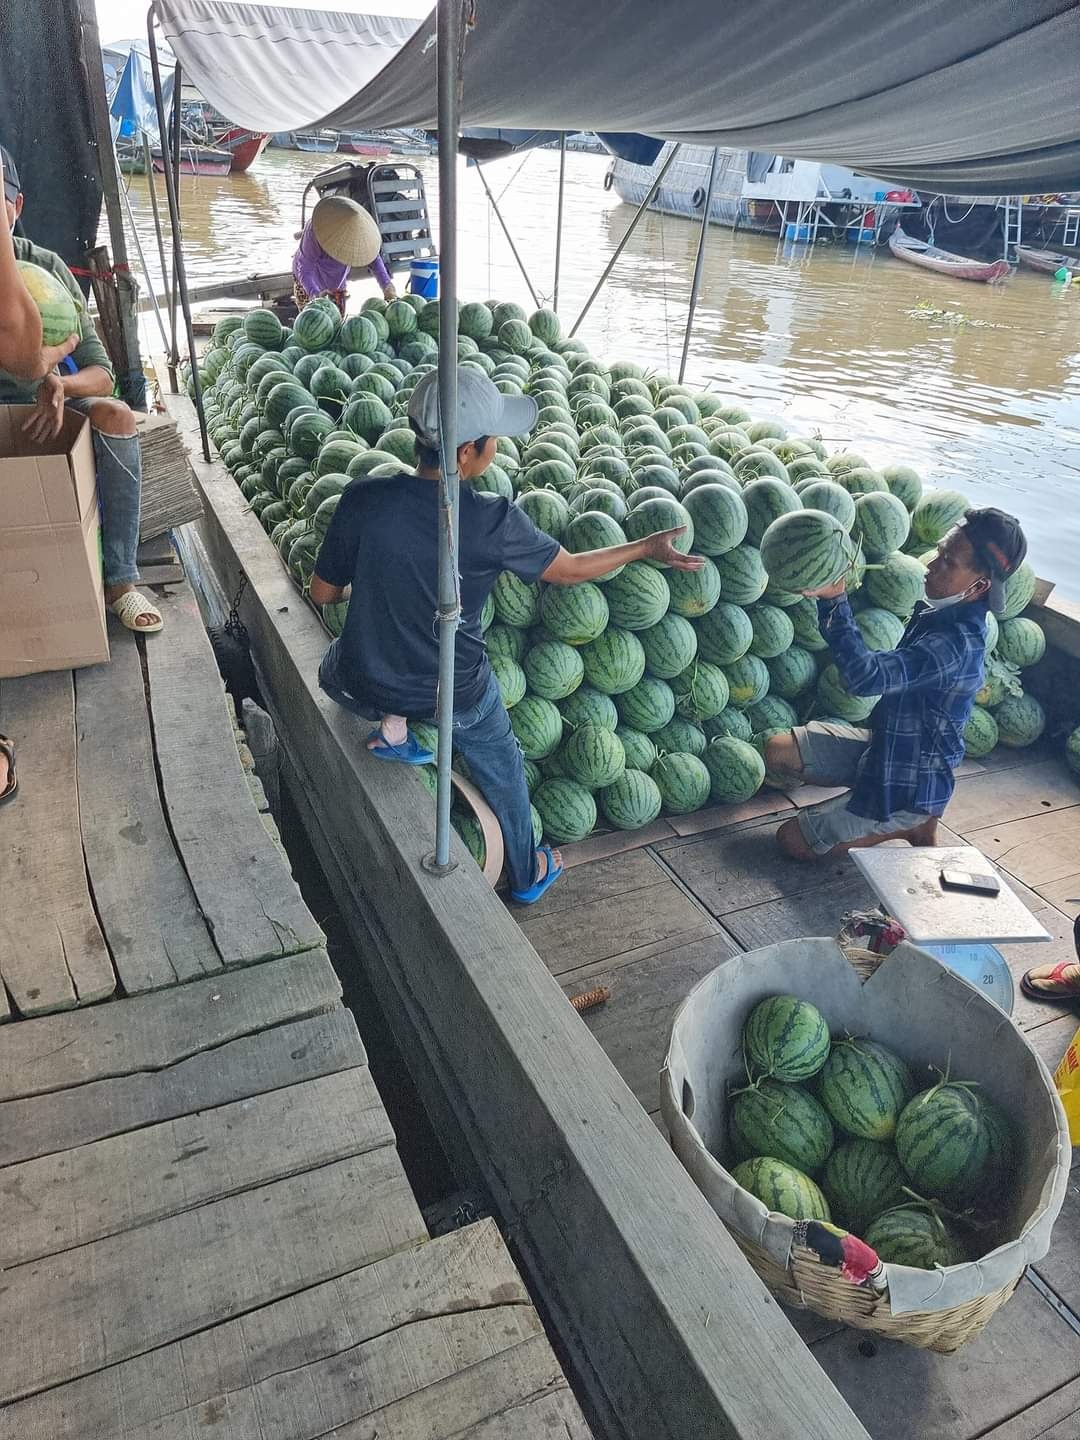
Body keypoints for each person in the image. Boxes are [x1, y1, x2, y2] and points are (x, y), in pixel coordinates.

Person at [309, 365, 704, 905]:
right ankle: (525, 873)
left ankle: (393, 734)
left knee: (343, 661)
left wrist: (378, 586)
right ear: (469, 453)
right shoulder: (491, 519)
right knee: (505, 769)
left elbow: (324, 594)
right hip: (451, 692)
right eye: (493, 438)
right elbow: (569, 569)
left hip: (357, 681)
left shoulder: (361, 497)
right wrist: (642, 548)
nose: (497, 445)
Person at [764, 507, 1027, 861]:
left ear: (980, 586)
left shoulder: (955, 645)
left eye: (948, 562)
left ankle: (909, 822)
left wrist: (833, 598)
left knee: (791, 840)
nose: (932, 565)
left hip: (909, 783)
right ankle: (880, 803)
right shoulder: (944, 611)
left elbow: (865, 677)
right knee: (775, 750)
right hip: (887, 750)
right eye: (939, 551)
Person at [0, 143, 161, 634]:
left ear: (17, 206)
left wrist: (59, 384)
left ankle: (121, 582)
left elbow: (102, 372)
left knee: (117, 414)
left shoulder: (48, 268)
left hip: (49, 407)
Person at [292, 194, 396, 315]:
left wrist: (387, 286)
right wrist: (315, 295)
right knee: (313, 327)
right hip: (307, 283)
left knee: (338, 328)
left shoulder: (361, 235)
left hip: (337, 284)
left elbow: (374, 260)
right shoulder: (315, 231)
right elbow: (305, 270)